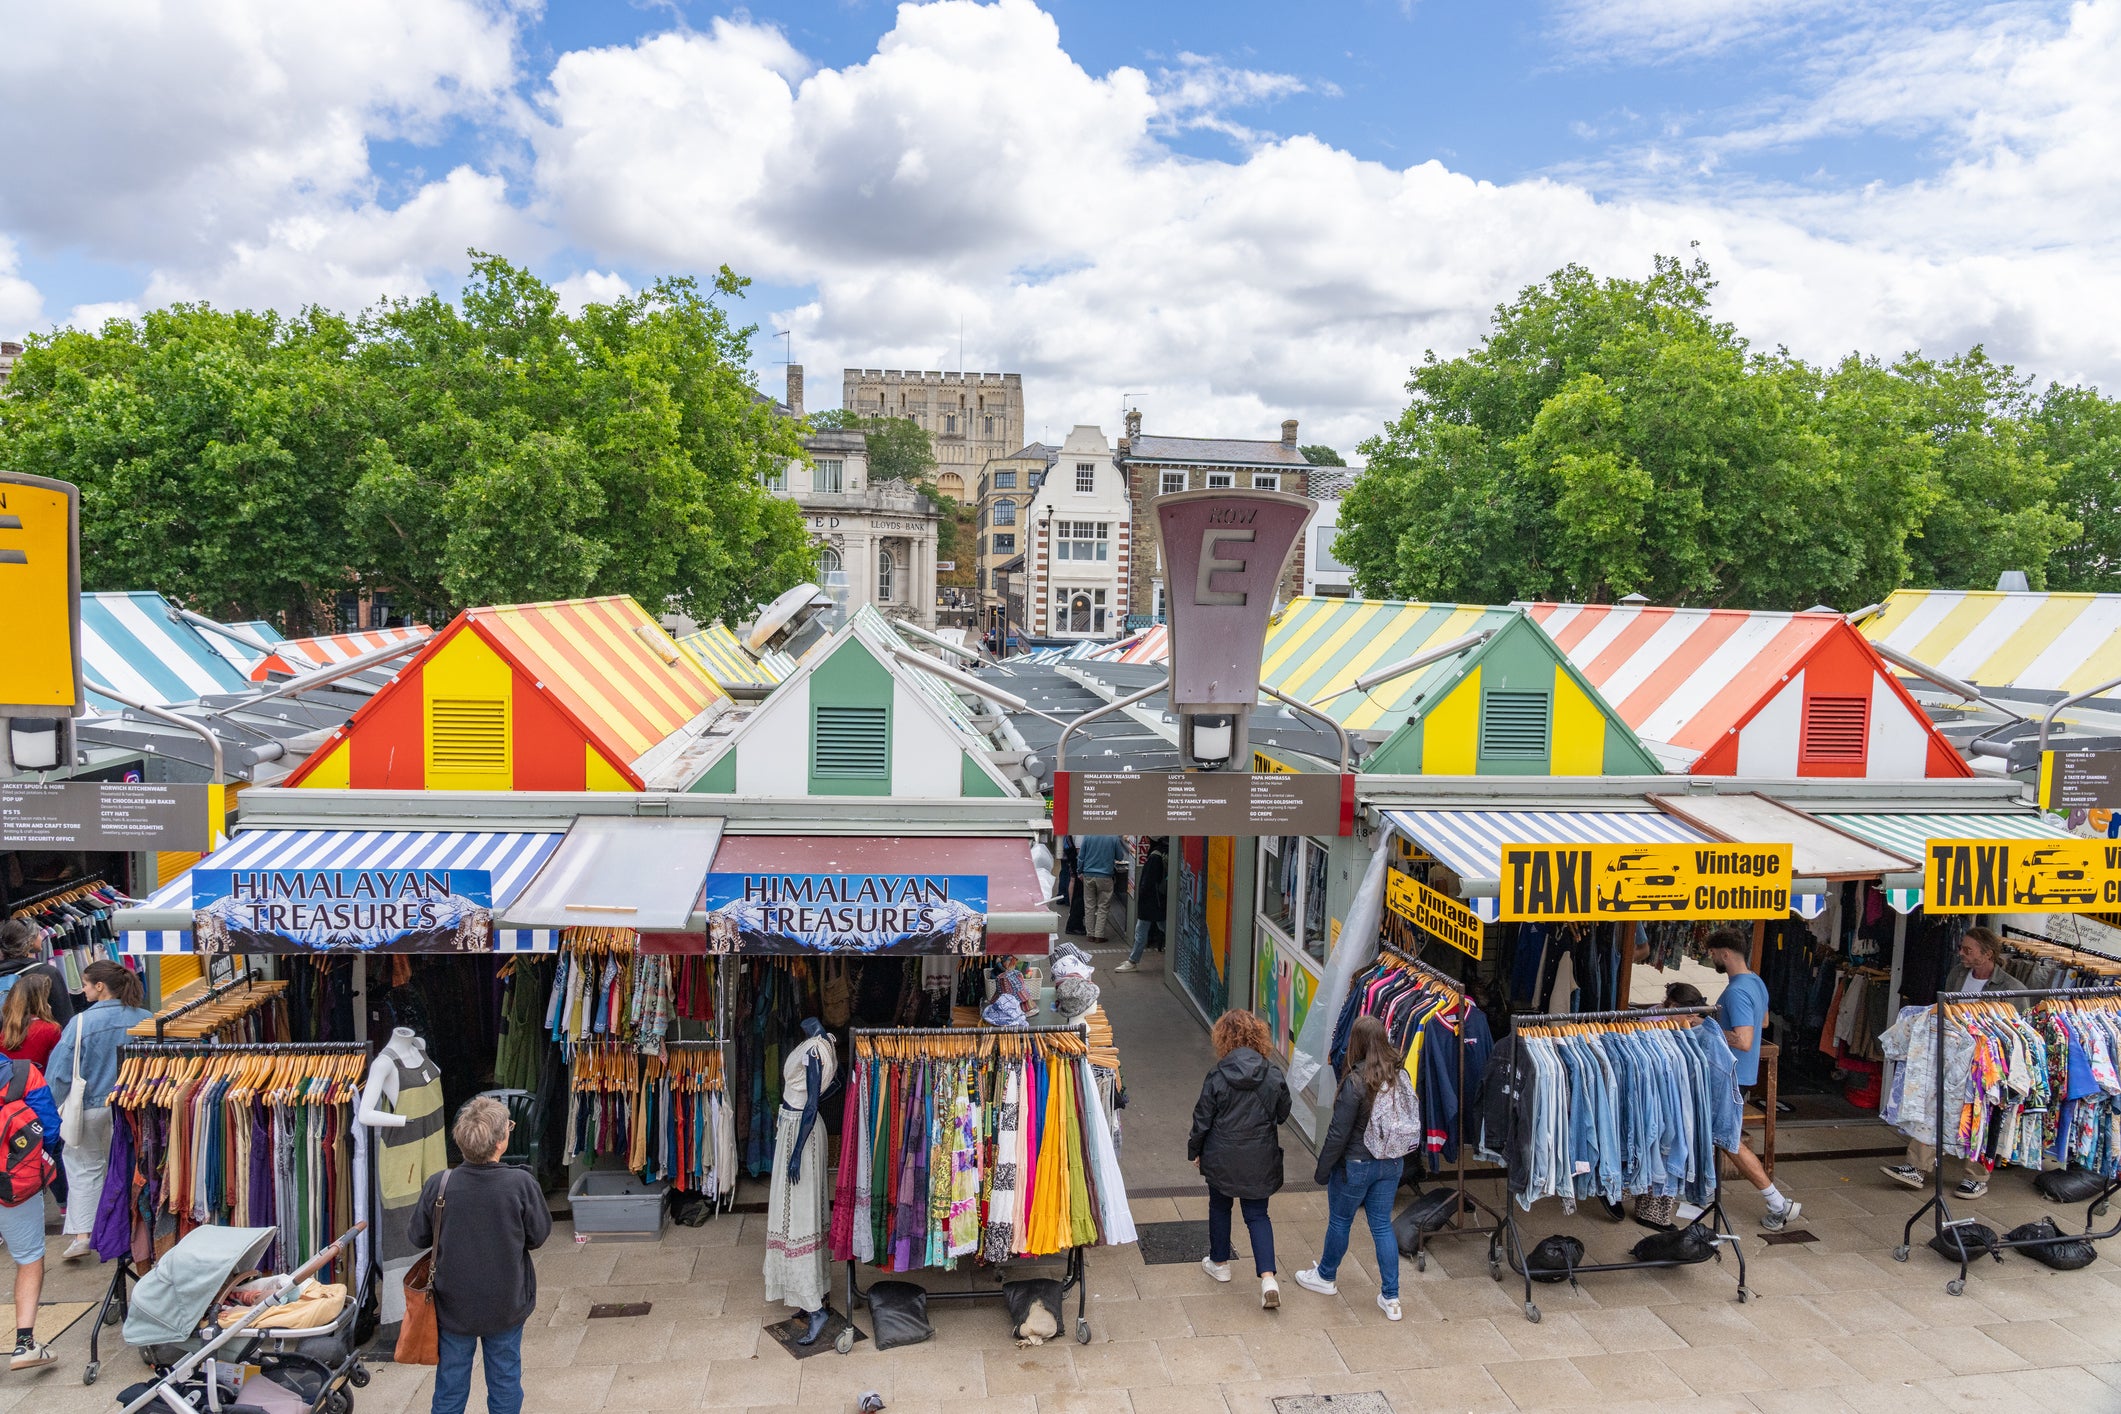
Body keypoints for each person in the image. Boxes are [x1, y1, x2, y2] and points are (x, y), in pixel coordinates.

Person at [407, 1096, 550, 1414]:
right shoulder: (520, 1184)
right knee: (505, 1382)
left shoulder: (440, 1184)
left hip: (453, 1305)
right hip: (506, 1302)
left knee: (450, 1387)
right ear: (500, 1142)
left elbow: (417, 1237)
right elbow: (538, 1236)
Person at [1880, 926, 2028, 1198]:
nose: (1961, 953)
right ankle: (1916, 1166)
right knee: (1932, 1105)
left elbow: (2014, 1034)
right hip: (1952, 1054)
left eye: (1967, 949)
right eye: (1962, 947)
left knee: (1980, 1115)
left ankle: (1977, 1176)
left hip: (1985, 1063)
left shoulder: (2012, 988)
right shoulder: (1957, 974)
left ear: (1987, 954)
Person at [1293, 1015, 1411, 1321]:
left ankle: (1325, 1276)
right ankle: (1391, 1297)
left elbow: (1338, 1133)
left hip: (1357, 1165)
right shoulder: (1399, 1075)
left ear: (1356, 1043)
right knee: (1382, 1225)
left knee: (1340, 1221)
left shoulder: (1356, 1082)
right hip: (1391, 1164)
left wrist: (1322, 1170)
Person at [46, 959, 151, 1262]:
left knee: (83, 1169)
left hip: (89, 1108)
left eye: (87, 984)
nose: (85, 989)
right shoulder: (145, 1018)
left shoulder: (80, 1023)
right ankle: (131, 1229)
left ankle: (83, 1234)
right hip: (132, 1105)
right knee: (130, 1168)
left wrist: (49, 1110)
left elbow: (59, 1073)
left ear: (100, 986)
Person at [1188, 1009, 1290, 1309]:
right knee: (1258, 1215)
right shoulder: (1271, 1074)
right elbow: (1283, 1113)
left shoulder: (1218, 1075)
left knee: (1220, 1207)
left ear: (1223, 1039)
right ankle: (1268, 1278)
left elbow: (1202, 1119)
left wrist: (1195, 1150)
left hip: (1222, 1155)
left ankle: (1220, 1263)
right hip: (1260, 1157)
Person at [1700, 930, 1799, 1231]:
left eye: (1713, 952)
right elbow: (1764, 1021)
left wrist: (1705, 1026)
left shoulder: (1736, 992)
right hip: (1741, 1074)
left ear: (1725, 954)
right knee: (1719, 1136)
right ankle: (1702, 1193)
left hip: (1731, 1075)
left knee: (1729, 1141)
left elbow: (1743, 1040)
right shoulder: (1755, 982)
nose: (1711, 957)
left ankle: (1778, 1202)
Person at [0, 1045, 61, 1373]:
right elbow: (48, 1128)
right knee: (28, 1258)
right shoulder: (23, 1074)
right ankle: (24, 1344)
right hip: (13, 1185)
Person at [0, 920, 74, 1028]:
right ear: (30, 940)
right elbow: (64, 1019)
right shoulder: (47, 973)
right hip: (39, 1041)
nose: (41, 936)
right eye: (38, 933)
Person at [1115, 838, 1168, 973]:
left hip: (1150, 901)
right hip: (1158, 900)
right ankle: (1133, 960)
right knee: (1163, 926)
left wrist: (1142, 898)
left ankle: (1133, 961)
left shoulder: (1154, 857)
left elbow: (1147, 882)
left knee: (1141, 931)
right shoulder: (1163, 853)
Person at [0, 972, 62, 1071]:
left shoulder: (4, 1026)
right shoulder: (51, 1029)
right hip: (37, 1083)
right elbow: (57, 1065)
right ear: (42, 1001)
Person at [1074, 834, 1123, 943]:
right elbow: (1120, 857)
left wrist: (1079, 871)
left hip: (1088, 875)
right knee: (1103, 906)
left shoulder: (1088, 836)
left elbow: (1081, 857)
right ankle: (1099, 935)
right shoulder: (1113, 837)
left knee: (1089, 905)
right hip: (1106, 876)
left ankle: (1090, 934)